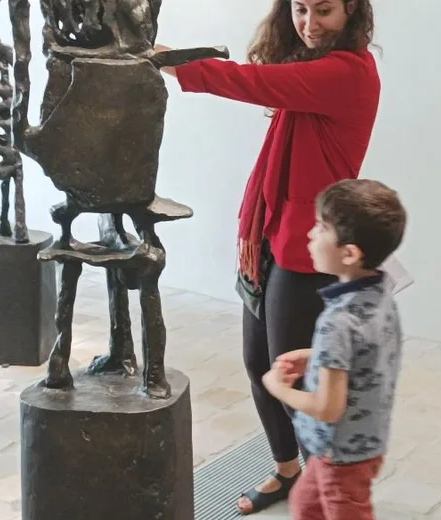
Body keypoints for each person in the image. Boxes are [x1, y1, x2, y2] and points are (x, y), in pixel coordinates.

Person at [156, 0, 380, 515]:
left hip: (308, 251)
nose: (309, 24)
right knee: (260, 363)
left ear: (352, 11)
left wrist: (163, 59)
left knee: (293, 376)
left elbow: (250, 82)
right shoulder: (310, 67)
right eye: (300, 10)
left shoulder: (347, 71)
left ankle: (326, 494)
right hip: (271, 235)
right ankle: (286, 472)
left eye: (323, 11)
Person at [262, 178, 406, 520]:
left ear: (349, 253)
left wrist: (279, 389)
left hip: (339, 452)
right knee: (306, 505)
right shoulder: (381, 294)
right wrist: (317, 358)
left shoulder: (337, 321)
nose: (310, 235)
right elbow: (369, 352)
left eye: (320, 227)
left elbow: (327, 408)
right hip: (364, 442)